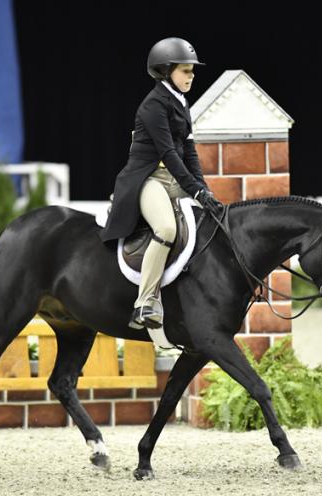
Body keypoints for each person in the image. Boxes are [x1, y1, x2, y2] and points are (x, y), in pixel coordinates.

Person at [98, 37, 223, 330]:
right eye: (185, 71)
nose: (191, 76)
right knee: (166, 228)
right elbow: (168, 153)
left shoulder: (181, 102)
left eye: (192, 71)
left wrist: (205, 190)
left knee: (214, 220)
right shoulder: (153, 105)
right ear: (166, 71)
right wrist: (194, 190)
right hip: (148, 178)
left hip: (174, 179)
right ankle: (145, 302)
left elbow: (189, 151)